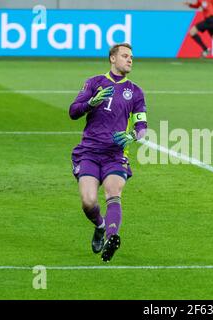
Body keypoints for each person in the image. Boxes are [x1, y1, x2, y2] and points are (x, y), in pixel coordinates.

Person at [69, 43, 147, 262]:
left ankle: (112, 238)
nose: (130, 60)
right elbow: (73, 112)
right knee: (88, 201)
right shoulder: (94, 83)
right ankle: (101, 226)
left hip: (115, 154)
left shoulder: (136, 91)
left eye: (131, 56)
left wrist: (133, 135)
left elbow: (142, 127)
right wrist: (91, 102)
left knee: (114, 192)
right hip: (89, 152)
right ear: (113, 59)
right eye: (125, 56)